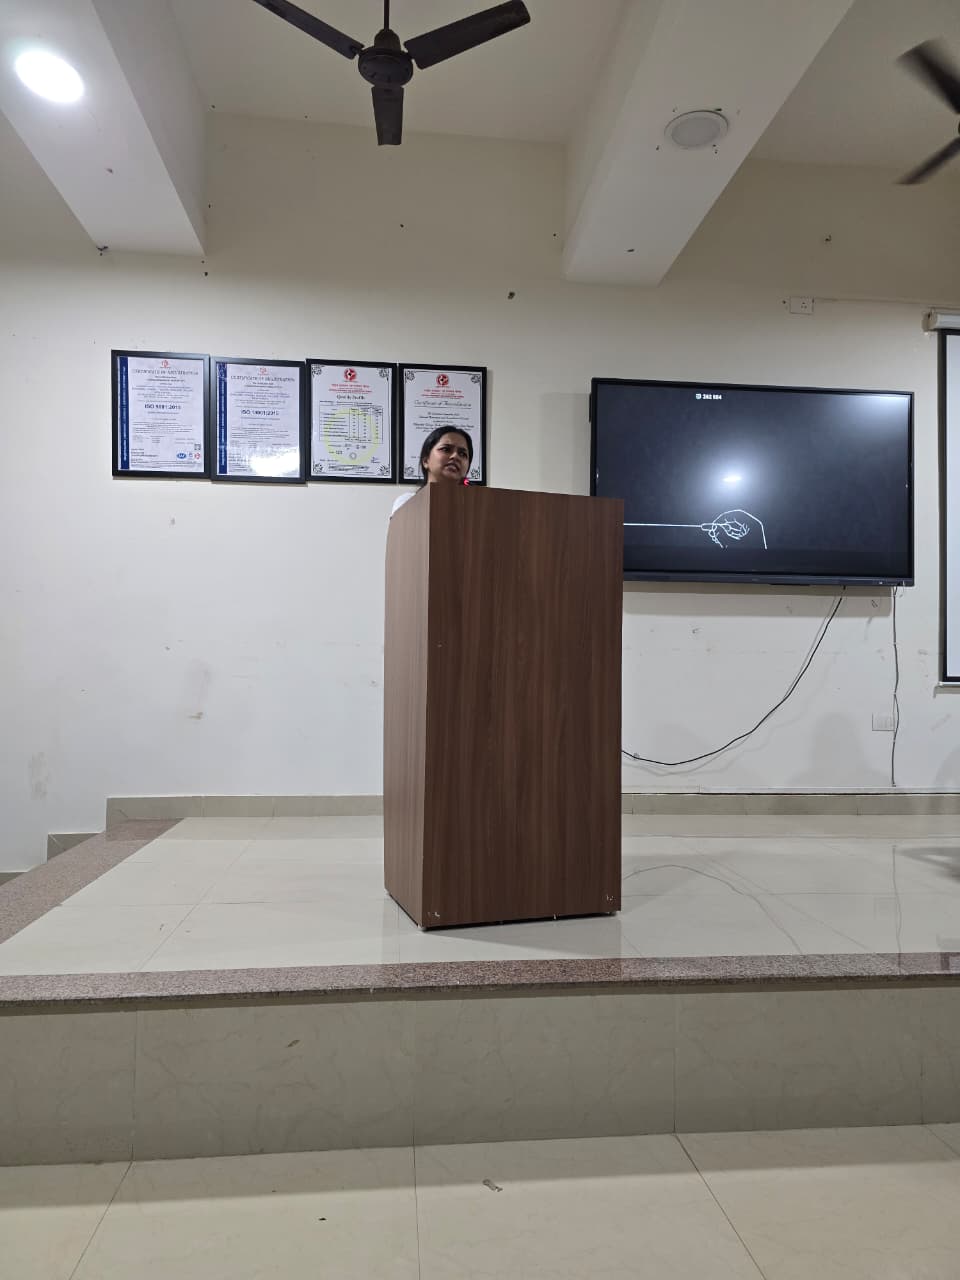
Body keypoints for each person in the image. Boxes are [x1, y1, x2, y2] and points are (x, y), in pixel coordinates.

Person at [390, 426, 474, 517]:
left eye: (462, 454)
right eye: (446, 449)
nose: (455, 456)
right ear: (426, 461)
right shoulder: (407, 502)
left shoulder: (476, 507)